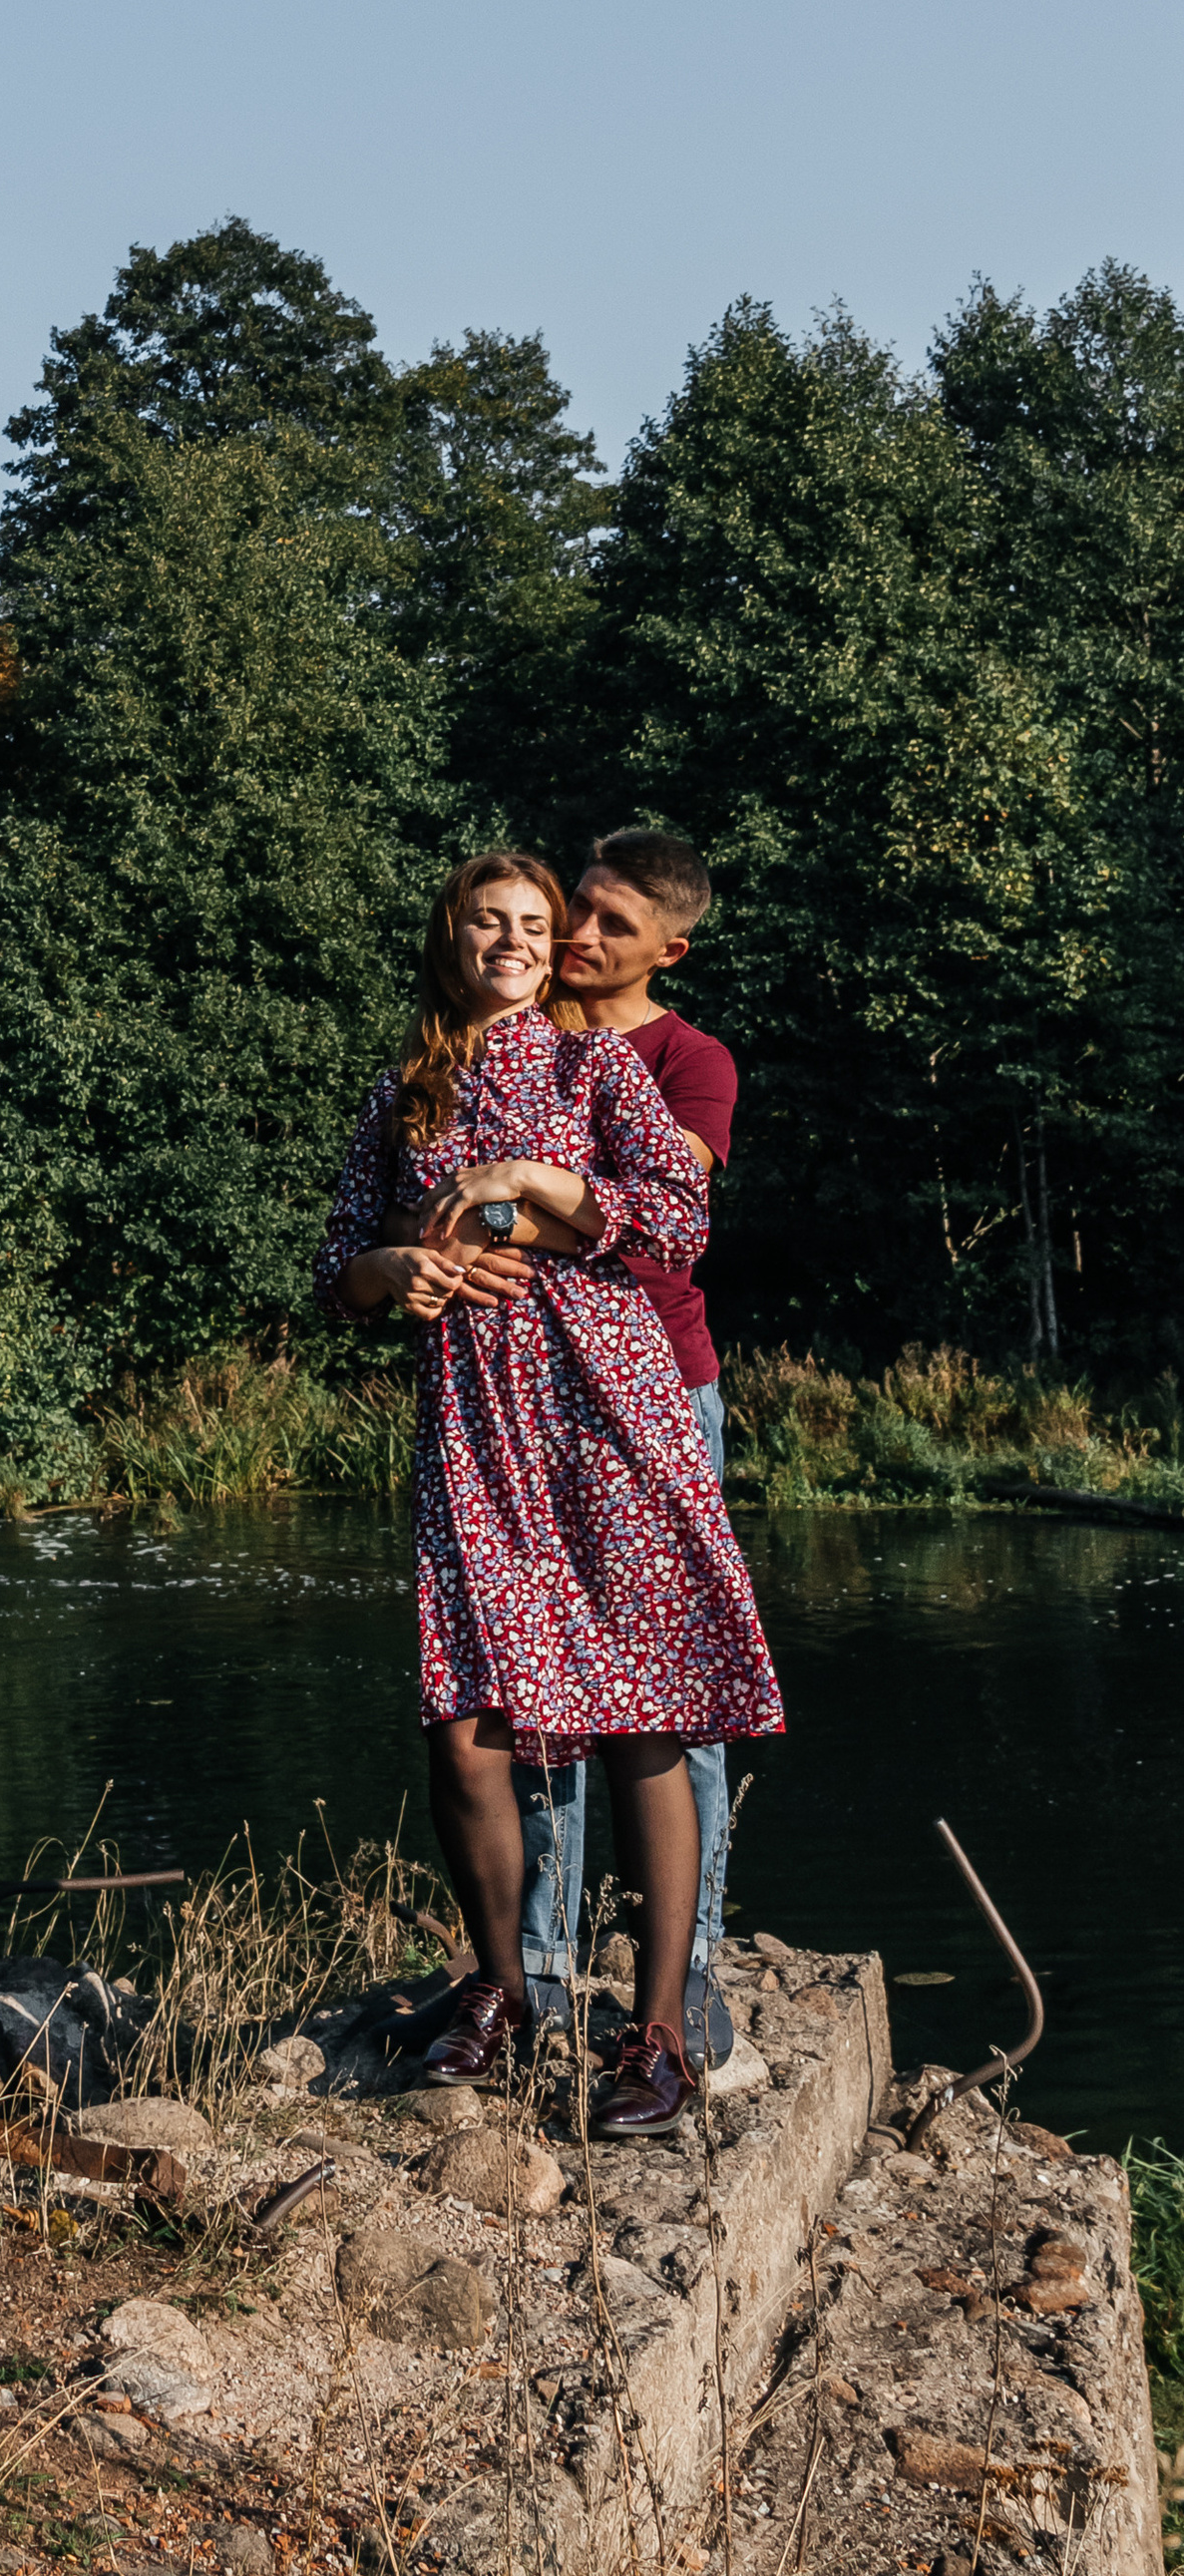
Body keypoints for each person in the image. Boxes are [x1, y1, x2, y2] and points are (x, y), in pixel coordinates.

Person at [313, 853, 784, 2135]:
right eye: (495, 922)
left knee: (642, 1714)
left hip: (608, 1404)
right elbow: (334, 1271)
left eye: (538, 922)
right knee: (465, 1722)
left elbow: (675, 1220)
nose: (523, 940)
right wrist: (394, 1268)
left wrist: (522, 1193)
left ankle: (657, 2035)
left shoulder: (597, 1066)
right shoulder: (401, 1092)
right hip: (472, 1421)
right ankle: (504, 1998)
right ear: (450, 939)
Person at [519, 830, 741, 2058]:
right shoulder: (506, 1036)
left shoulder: (686, 1056)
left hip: (659, 1389)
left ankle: (690, 1965)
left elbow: (663, 1226)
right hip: (519, 1392)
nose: (578, 937)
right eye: (574, 912)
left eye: (609, 921)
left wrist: (516, 1194)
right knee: (539, 1684)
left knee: (675, 1694)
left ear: (671, 944)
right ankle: (542, 1962)